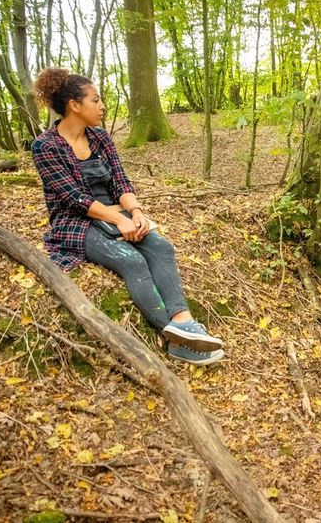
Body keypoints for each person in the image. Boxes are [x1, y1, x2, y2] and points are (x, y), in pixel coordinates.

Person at [32, 67, 224, 366]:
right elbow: (73, 197)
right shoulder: (45, 146)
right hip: (75, 221)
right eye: (95, 100)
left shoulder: (100, 138)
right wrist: (117, 220)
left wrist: (136, 212)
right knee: (130, 259)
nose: (102, 106)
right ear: (74, 105)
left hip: (116, 213)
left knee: (161, 247)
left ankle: (184, 320)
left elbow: (120, 182)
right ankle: (174, 337)